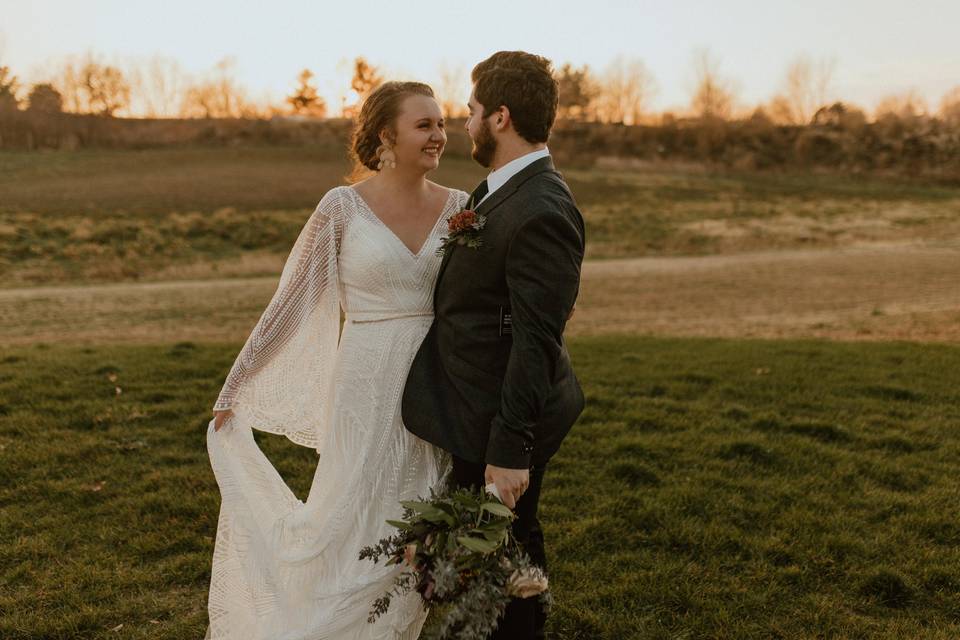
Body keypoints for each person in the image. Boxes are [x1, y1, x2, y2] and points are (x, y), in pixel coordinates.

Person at [204, 81, 469, 640]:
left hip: (435, 386)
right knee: (349, 515)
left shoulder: (462, 208)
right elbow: (293, 303)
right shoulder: (342, 208)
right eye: (425, 125)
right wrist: (237, 385)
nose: (440, 136)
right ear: (385, 135)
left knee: (415, 517)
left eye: (442, 124)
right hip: (364, 385)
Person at [402, 51, 586, 640]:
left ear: (500, 117)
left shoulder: (542, 209)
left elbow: (536, 342)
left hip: (501, 424)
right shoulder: (501, 191)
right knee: (501, 560)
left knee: (502, 564)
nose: (464, 122)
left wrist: (509, 452)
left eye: (471, 110)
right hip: (477, 409)